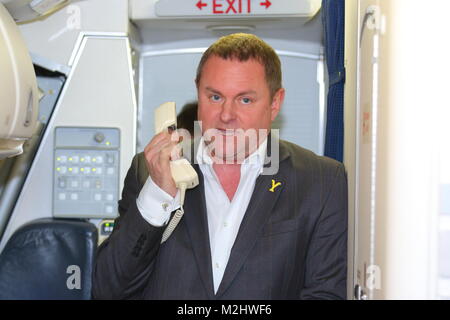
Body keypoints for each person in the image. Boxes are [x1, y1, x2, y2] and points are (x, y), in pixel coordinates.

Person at [92, 33, 348, 300]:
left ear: (275, 103)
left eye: (245, 100)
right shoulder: (148, 171)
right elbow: (107, 290)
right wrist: (157, 195)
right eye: (215, 97)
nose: (226, 115)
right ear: (198, 92)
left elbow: (326, 293)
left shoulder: (322, 181)